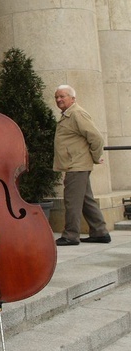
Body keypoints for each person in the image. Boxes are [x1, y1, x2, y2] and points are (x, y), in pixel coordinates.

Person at [53, 85, 110, 246]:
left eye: (62, 96)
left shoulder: (77, 113)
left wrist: (96, 156)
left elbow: (96, 138)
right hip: (76, 164)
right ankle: (100, 232)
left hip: (76, 166)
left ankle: (71, 235)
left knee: (72, 201)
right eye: (56, 97)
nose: (58, 100)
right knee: (86, 200)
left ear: (73, 98)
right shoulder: (68, 115)